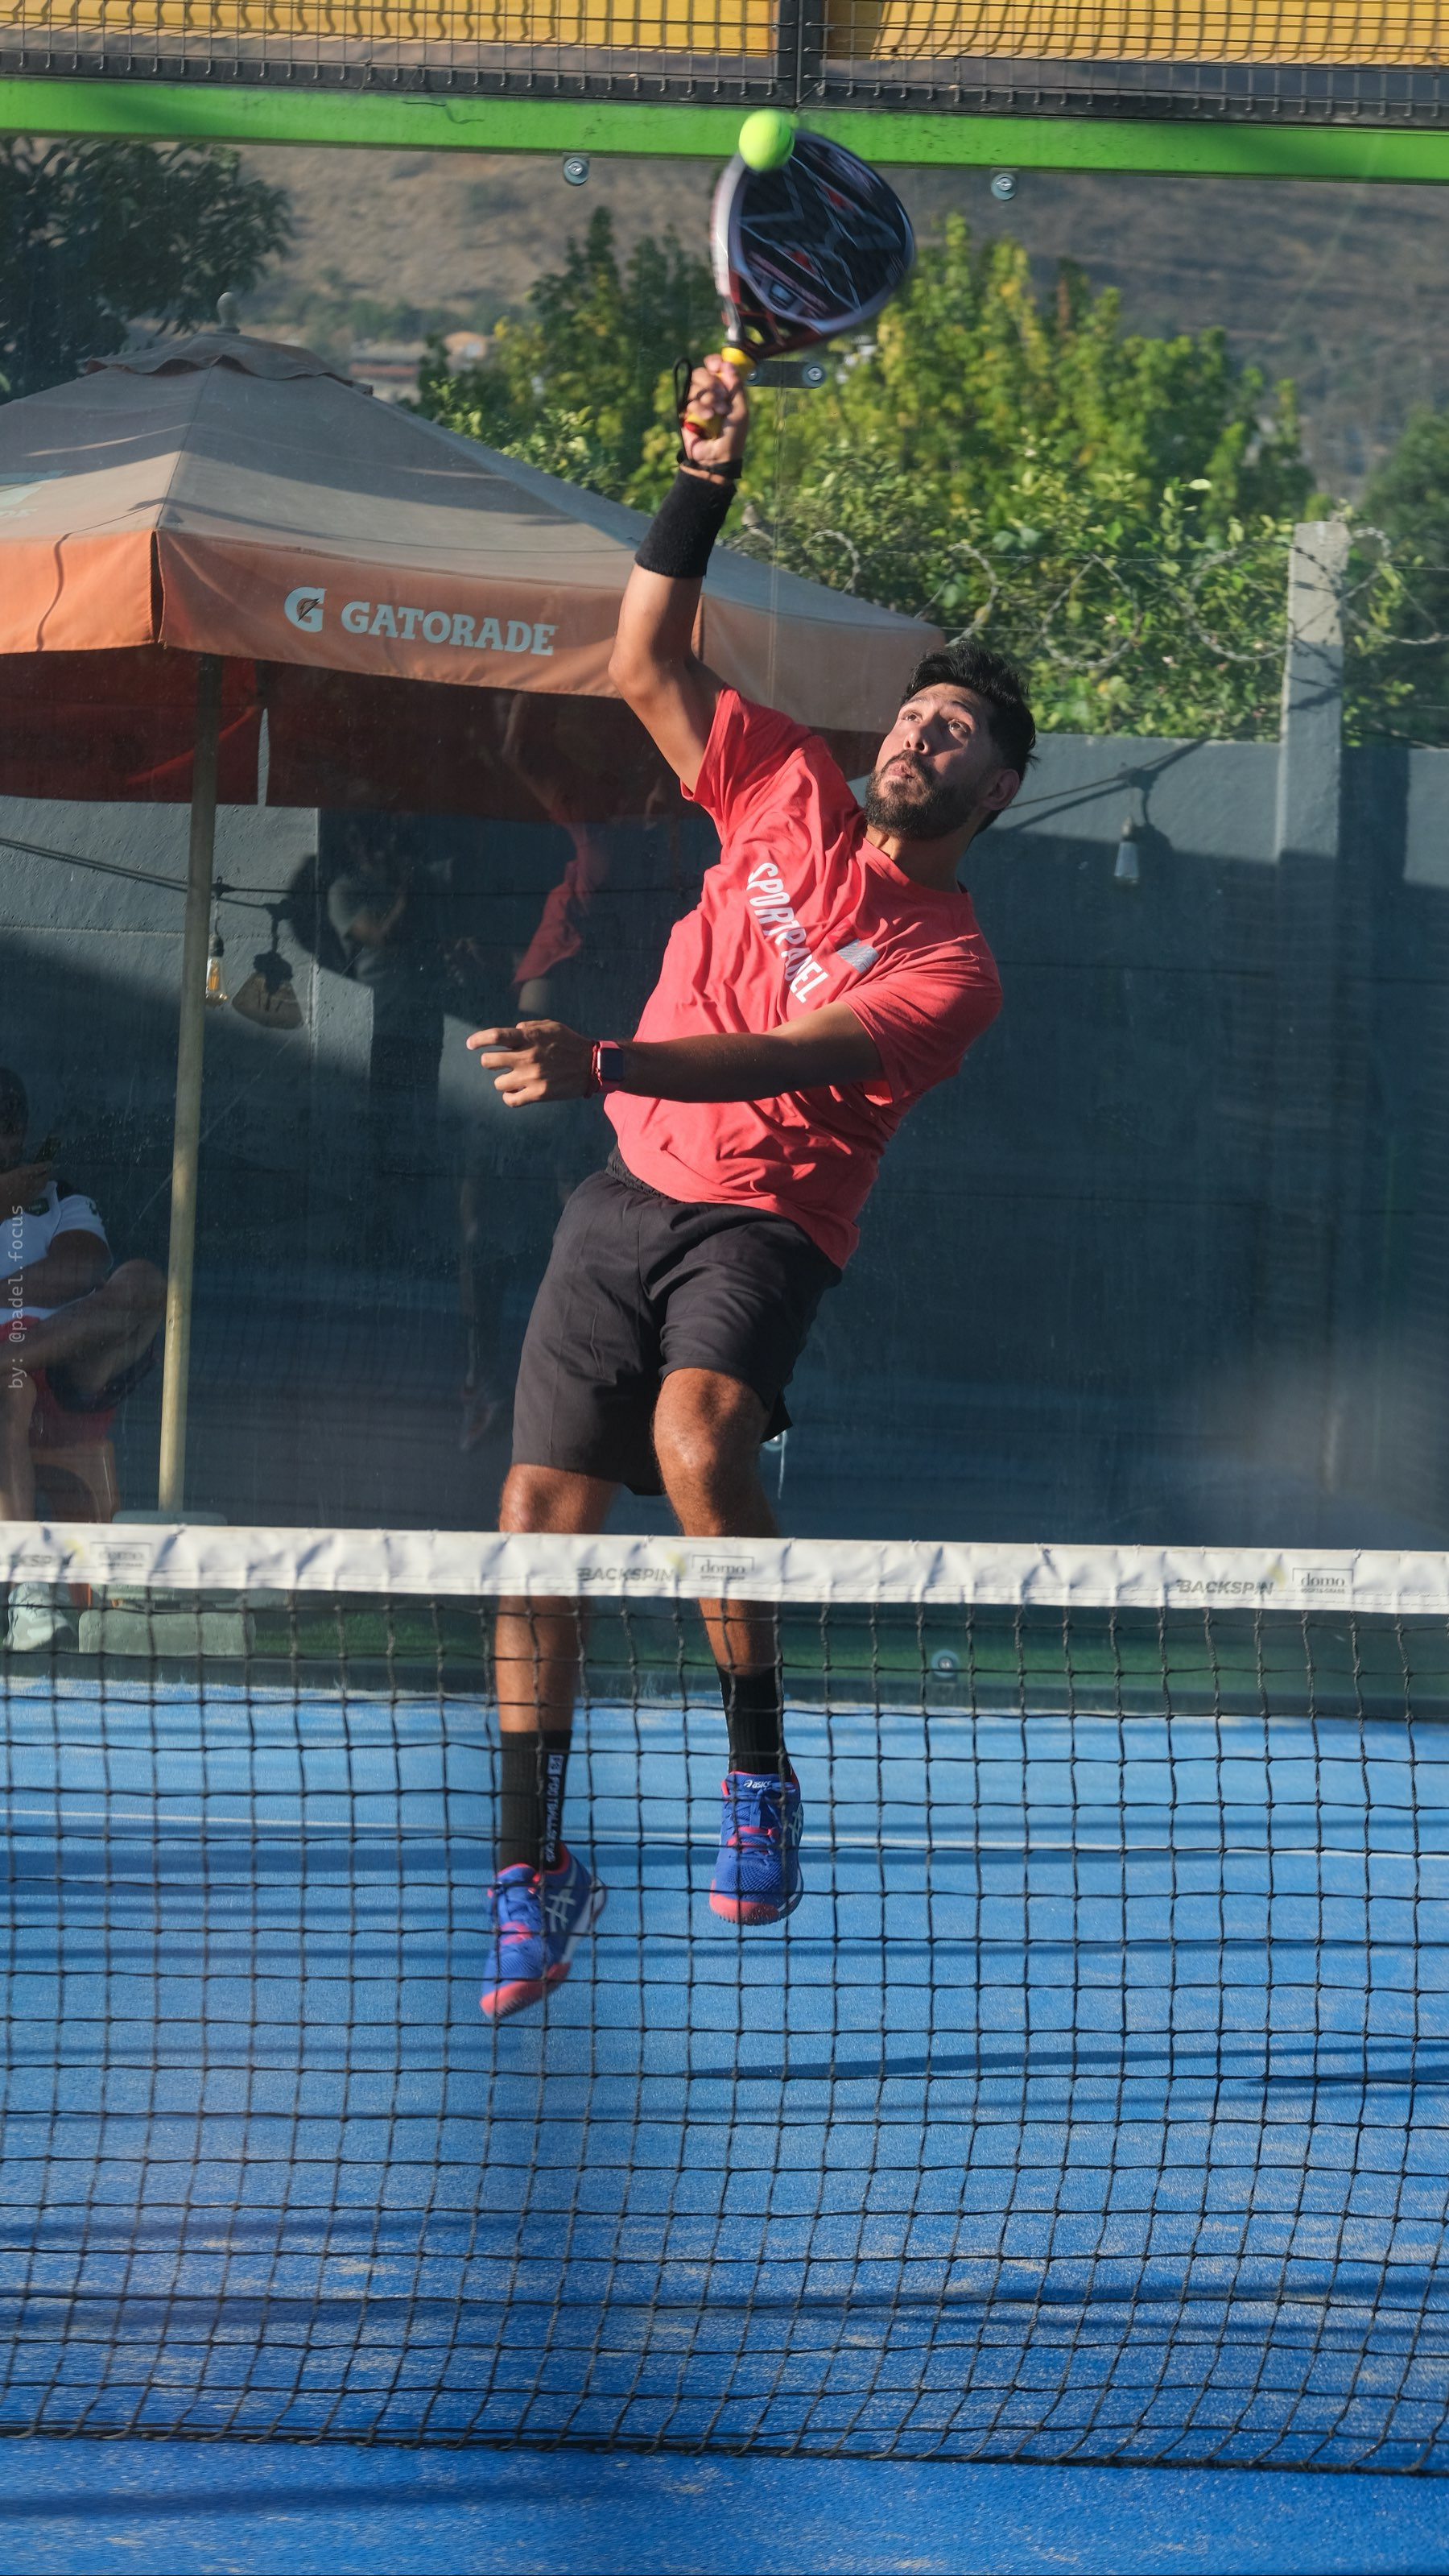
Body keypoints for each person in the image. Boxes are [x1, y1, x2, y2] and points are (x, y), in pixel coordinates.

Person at [466, 354, 1034, 2023]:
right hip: (619, 1200)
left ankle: (759, 1766)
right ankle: (529, 1868)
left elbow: (789, 1055)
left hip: (766, 1225)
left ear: (996, 793)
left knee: (701, 1438)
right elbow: (643, 652)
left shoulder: (953, 968)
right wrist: (702, 477)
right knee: (536, 1527)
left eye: (958, 734)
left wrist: (606, 1059)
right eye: (918, 714)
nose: (923, 733)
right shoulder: (778, 781)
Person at [0, 1069, 166, 1648]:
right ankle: (27, 1593)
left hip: (63, 1364)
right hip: (11, 1395)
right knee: (11, 1388)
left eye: (9, 1127)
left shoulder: (58, 1195)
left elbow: (81, 1269)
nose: (3, 1140)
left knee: (142, 1281)